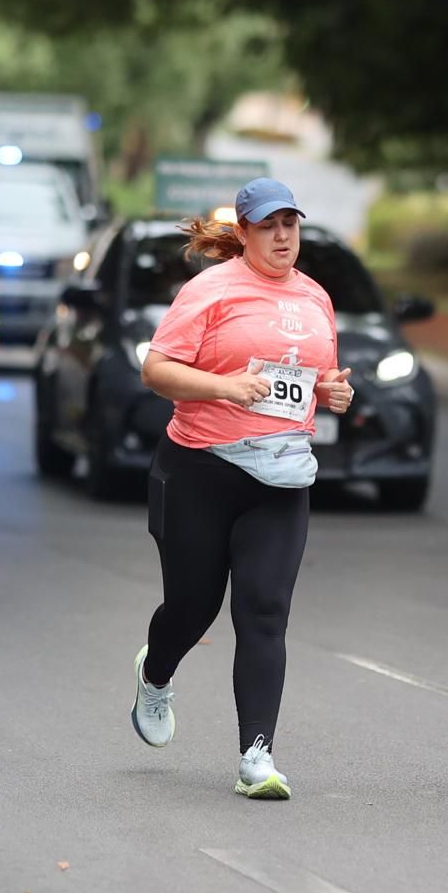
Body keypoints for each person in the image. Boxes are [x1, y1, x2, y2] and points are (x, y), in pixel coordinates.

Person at [129, 177, 354, 800]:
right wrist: (226, 386)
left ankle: (257, 755)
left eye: (291, 224)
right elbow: (156, 369)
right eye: (269, 226)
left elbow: (317, 377)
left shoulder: (315, 298)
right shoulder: (211, 289)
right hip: (200, 468)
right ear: (245, 233)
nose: (283, 237)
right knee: (192, 608)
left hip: (280, 474)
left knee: (262, 611)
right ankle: (156, 672)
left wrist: (332, 392)